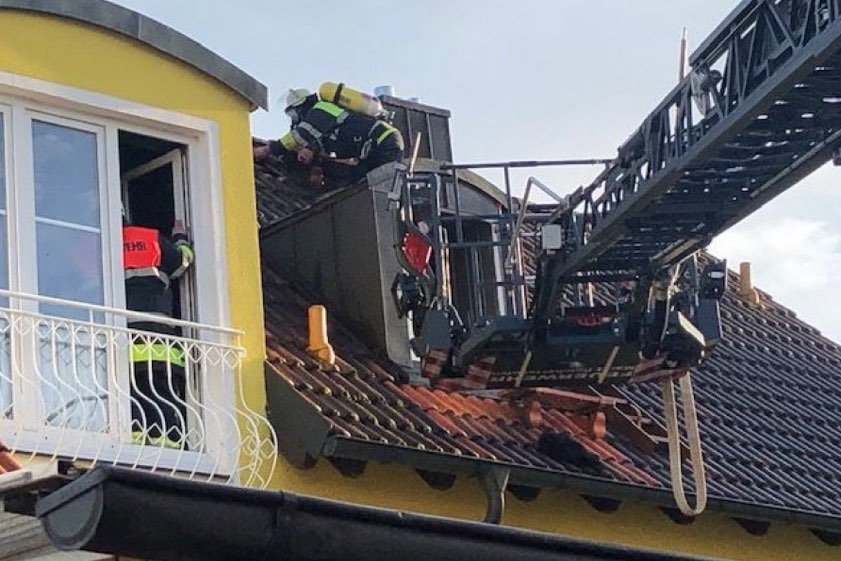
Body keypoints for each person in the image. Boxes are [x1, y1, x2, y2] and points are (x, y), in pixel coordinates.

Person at [123, 212, 194, 449]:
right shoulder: (150, 239)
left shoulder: (93, 244)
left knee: (132, 396)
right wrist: (180, 238)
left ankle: (136, 443)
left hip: (124, 343)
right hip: (159, 339)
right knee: (162, 395)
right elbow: (183, 261)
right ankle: (170, 446)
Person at [254, 88, 405, 184]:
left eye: (293, 114)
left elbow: (299, 135)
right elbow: (322, 149)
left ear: (301, 106)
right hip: (375, 147)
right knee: (358, 182)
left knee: (381, 185)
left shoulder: (321, 109)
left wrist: (267, 149)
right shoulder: (323, 126)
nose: (294, 119)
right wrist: (313, 160)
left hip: (384, 142)